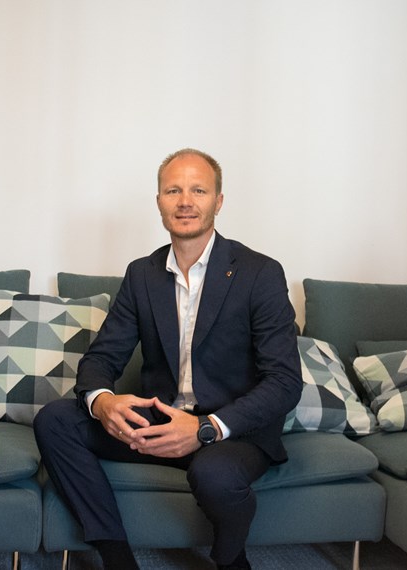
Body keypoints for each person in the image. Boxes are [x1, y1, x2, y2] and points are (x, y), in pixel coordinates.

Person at [34, 148, 302, 570]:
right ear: (158, 200)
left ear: (219, 201)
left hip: (231, 431)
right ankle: (118, 558)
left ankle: (233, 562)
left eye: (199, 189)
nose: (185, 201)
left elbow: (285, 382)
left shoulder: (259, 273)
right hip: (161, 421)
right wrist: (103, 402)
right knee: (55, 419)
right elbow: (101, 358)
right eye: (173, 190)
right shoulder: (142, 273)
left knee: (214, 475)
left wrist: (206, 430)